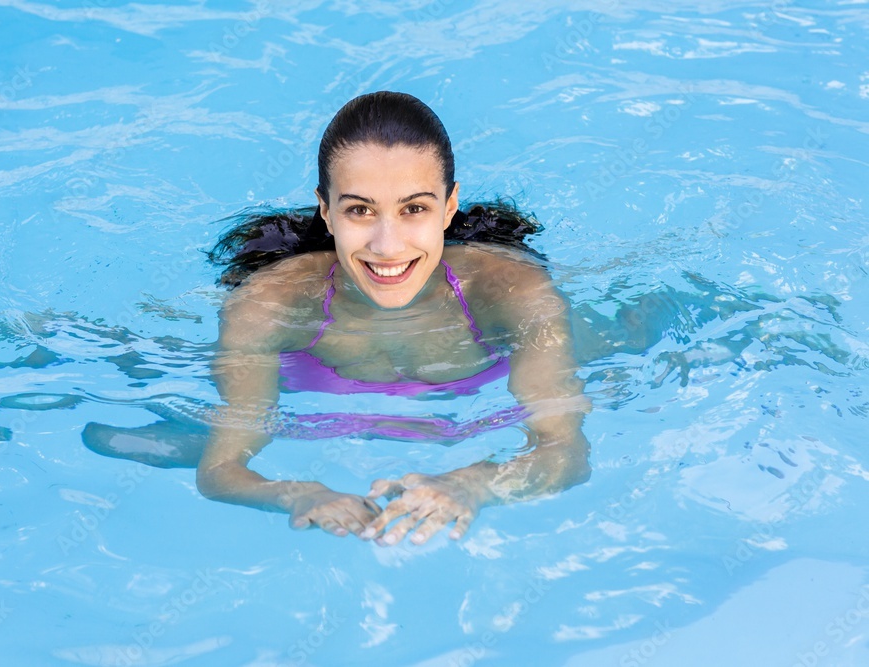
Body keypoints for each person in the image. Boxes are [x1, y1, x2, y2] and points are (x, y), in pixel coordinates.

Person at [195, 91, 591, 547]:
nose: (388, 246)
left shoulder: (512, 292)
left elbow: (566, 451)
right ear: (325, 210)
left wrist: (477, 484)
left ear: (449, 206)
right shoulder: (269, 305)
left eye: (414, 209)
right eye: (359, 210)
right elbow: (220, 471)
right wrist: (297, 493)